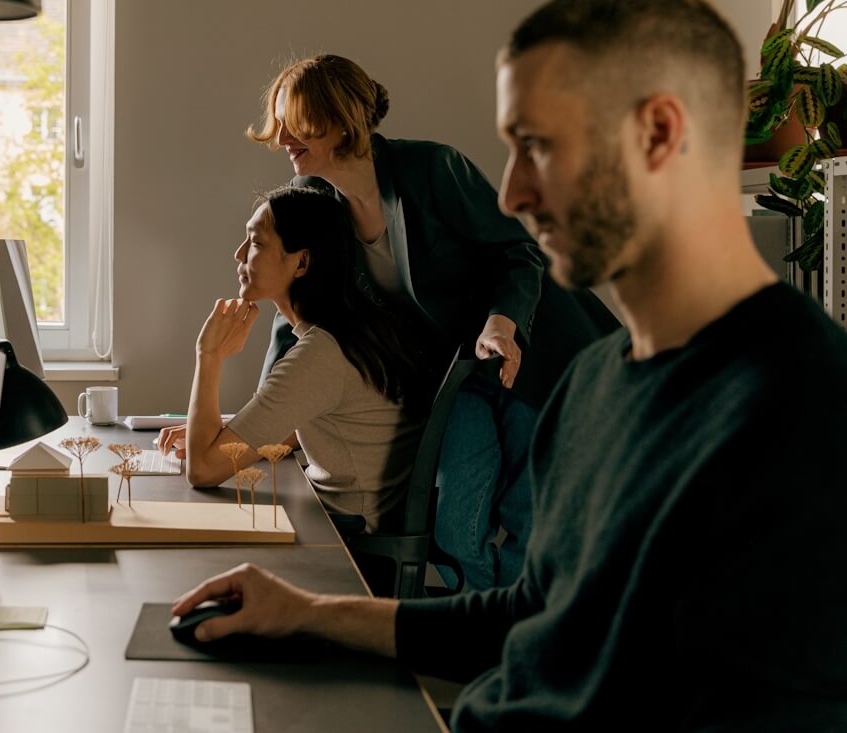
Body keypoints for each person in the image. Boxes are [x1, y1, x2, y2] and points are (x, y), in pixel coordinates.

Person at [170, 0, 847, 729]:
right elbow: (532, 615)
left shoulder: (816, 421)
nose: (512, 192)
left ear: (657, 132)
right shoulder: (592, 385)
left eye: (537, 147)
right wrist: (308, 612)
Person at [241, 53, 619, 590]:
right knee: (455, 529)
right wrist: (261, 422)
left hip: (534, 356)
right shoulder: (321, 204)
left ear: (339, 119)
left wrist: (502, 321)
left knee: (528, 518)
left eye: (292, 124)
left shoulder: (433, 170)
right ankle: (480, 635)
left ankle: (514, 650)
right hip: (463, 376)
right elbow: (303, 310)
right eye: (276, 125)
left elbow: (520, 254)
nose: (280, 139)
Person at [158, 185, 424, 534]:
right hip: (340, 521)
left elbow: (204, 471)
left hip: (348, 543)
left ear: (302, 262)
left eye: (255, 243)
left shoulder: (321, 354)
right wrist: (223, 432)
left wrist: (208, 355)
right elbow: (300, 426)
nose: (239, 254)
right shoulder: (350, 330)